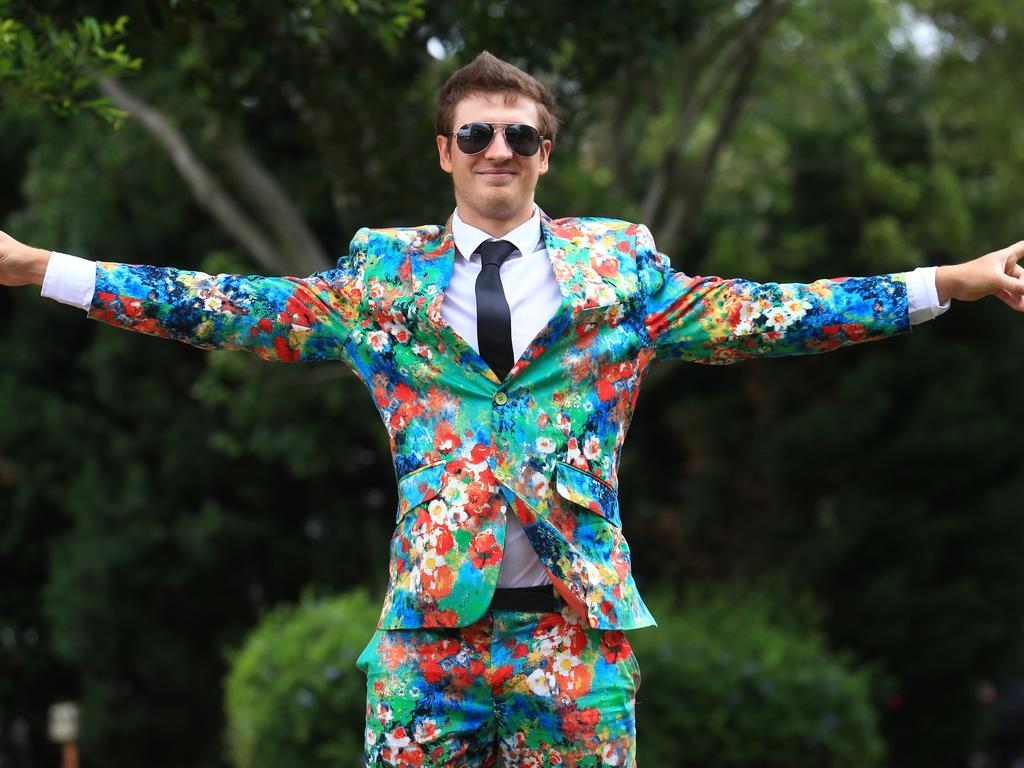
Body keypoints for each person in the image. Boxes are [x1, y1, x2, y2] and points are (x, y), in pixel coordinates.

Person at [1, 50, 1023, 767]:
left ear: (545, 153)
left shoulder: (620, 267)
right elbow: (222, 306)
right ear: (444, 149)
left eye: (521, 134)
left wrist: (953, 280)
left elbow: (775, 315)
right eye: (477, 132)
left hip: (574, 643)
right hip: (424, 642)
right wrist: (42, 266)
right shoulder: (379, 277)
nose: (500, 147)